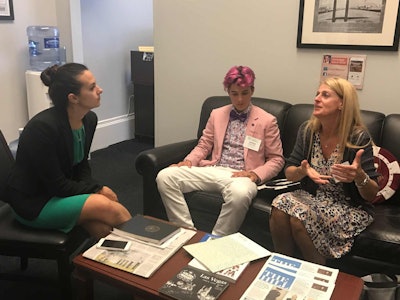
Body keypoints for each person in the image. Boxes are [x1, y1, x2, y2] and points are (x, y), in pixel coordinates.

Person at [5, 63, 132, 238]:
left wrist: (94, 189)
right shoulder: (42, 128)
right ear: (73, 98)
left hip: (60, 193)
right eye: (92, 87)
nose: (100, 90)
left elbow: (81, 167)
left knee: (102, 228)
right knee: (109, 207)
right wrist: (97, 190)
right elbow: (56, 185)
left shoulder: (88, 120)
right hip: (35, 202)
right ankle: (151, 252)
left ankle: (110, 264)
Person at [156, 66, 285, 236]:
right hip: (213, 169)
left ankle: (217, 240)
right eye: (234, 93)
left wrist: (255, 174)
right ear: (228, 92)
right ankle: (186, 234)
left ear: (252, 90)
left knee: (240, 194)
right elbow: (204, 145)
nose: (239, 99)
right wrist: (189, 161)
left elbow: (277, 159)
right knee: (165, 176)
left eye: (244, 93)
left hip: (242, 176)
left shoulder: (267, 120)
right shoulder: (217, 114)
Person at [269, 77, 379, 265]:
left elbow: (371, 194)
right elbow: (289, 171)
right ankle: (283, 266)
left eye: (325, 95)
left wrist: (359, 176)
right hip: (314, 197)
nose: (317, 99)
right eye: (317, 94)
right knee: (279, 205)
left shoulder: (358, 137)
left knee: (299, 218)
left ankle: (318, 277)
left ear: (342, 104)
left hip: (348, 206)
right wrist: (303, 171)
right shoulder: (308, 131)